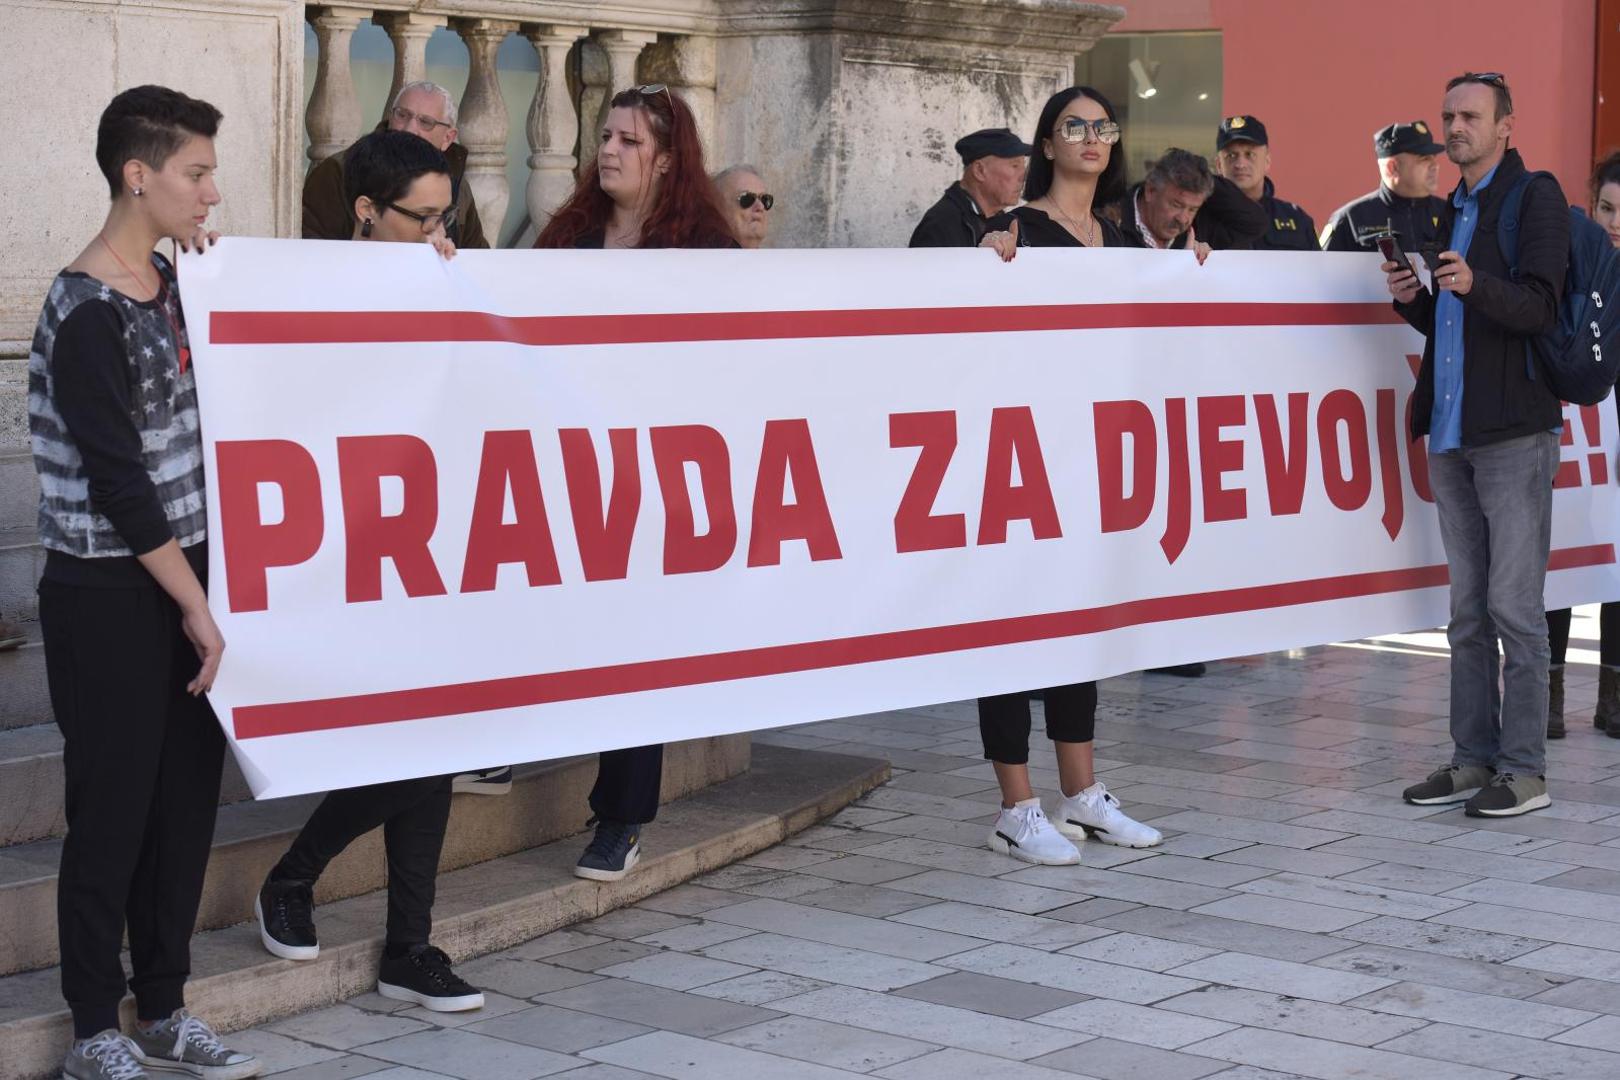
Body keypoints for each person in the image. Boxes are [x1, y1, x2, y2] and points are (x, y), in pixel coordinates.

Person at [29, 84, 260, 1080]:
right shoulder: (81, 311)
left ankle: (165, 1005)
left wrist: (421, 271)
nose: (212, 194)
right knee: (114, 806)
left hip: (191, 579)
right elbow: (119, 483)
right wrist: (196, 606)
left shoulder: (182, 284)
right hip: (111, 592)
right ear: (139, 175)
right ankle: (94, 1025)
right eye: (195, 173)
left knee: (182, 808)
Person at [254, 130, 485, 1015]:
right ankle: (300, 880)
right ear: (364, 211)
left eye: (446, 214)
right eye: (421, 217)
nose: (438, 231)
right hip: (340, 545)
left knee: (440, 736)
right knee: (418, 746)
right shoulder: (302, 288)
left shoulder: (439, 279)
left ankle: (404, 942)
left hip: (430, 545)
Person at [536, 84, 735, 880]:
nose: (608, 151)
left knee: (633, 647)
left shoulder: (704, 254)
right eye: (605, 137)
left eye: (628, 140)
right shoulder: (567, 237)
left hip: (653, 477)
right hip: (565, 467)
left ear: (667, 159)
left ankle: (620, 817)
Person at [975, 87, 1165, 866]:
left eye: (1103, 127)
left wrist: (1195, 276)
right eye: (1074, 126)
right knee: (1015, 627)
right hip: (1023, 458)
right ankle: (1015, 806)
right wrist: (984, 267)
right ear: (1047, 144)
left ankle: (1081, 794)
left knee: (1079, 626)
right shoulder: (1015, 233)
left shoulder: (1120, 241)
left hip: (1095, 461)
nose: (1092, 138)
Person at [1391, 73, 1570, 817]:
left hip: (1514, 434)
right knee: (1466, 610)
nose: (1453, 127)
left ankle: (1524, 770)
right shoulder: (1449, 207)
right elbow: (1456, 328)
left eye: (1469, 116)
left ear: (1505, 126)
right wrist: (1419, 303)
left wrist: (1472, 284)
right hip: (1454, 431)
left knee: (1515, 611)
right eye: (1447, 115)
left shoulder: (1536, 196)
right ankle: (1472, 759)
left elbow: (1538, 305)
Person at [1544, 150, 1620, 739]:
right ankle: (1546, 696)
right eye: (1606, 207)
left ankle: (1614, 698)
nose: (1615, 222)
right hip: (1570, 433)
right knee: (1560, 562)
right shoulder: (1572, 261)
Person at [302, 80, 488, 250]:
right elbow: (316, 254)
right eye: (402, 115)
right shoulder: (338, 169)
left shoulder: (457, 183)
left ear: (448, 138)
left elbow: (478, 261)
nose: (409, 128)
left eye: (426, 122)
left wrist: (443, 263)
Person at [1106, 146, 1267, 254]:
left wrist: (1200, 173)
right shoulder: (1109, 221)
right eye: (1176, 204)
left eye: (1192, 209)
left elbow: (1255, 223)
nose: (1183, 218)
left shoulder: (1201, 227)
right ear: (1151, 191)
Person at [1322, 122, 1447, 253]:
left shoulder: (1451, 214)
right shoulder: (1350, 219)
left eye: (1434, 158)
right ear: (1392, 168)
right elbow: (1322, 271)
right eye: (1424, 159)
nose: (1435, 166)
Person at [909, 127, 1031, 247]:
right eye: (1015, 166)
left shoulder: (1004, 221)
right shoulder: (940, 226)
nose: (1023, 176)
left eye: (1023, 166)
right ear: (979, 171)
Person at [1212, 115, 1316, 250]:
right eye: (1231, 155)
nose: (1240, 164)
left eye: (1250, 154)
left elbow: (1316, 269)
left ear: (1267, 161)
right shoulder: (1201, 217)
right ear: (1219, 165)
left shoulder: (1296, 219)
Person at [713, 164, 773, 248]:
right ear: (718, 208)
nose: (760, 207)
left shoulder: (780, 260)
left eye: (764, 199)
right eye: (746, 199)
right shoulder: (700, 259)